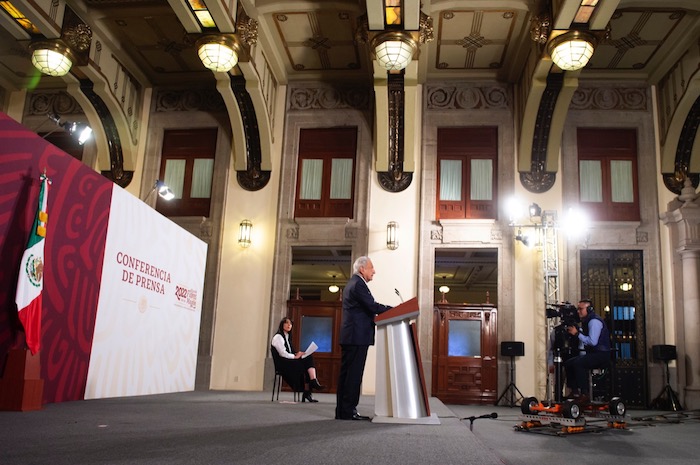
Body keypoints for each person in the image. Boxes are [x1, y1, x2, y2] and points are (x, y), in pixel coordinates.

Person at [335, 256, 391, 421]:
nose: (374, 271)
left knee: (346, 375)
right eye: (371, 268)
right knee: (353, 375)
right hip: (356, 337)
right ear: (362, 269)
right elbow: (372, 306)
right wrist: (395, 310)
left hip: (351, 337)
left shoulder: (353, 283)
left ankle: (343, 411)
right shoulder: (358, 284)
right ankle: (348, 411)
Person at [563, 299, 611, 402]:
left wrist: (577, 334)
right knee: (568, 363)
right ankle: (575, 391)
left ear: (589, 309)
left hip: (601, 354)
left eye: (581, 309)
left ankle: (584, 393)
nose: (578, 311)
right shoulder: (586, 321)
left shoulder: (594, 321)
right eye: (578, 309)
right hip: (593, 353)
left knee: (578, 363)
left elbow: (592, 341)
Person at [271, 317, 324, 403]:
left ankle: (312, 382)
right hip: (283, 364)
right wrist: (295, 357)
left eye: (290, 324)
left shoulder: (288, 336)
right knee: (305, 364)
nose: (289, 325)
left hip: (288, 361)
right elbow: (282, 353)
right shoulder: (278, 337)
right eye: (287, 323)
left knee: (308, 357)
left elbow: (290, 351)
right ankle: (310, 386)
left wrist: (297, 354)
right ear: (282, 325)